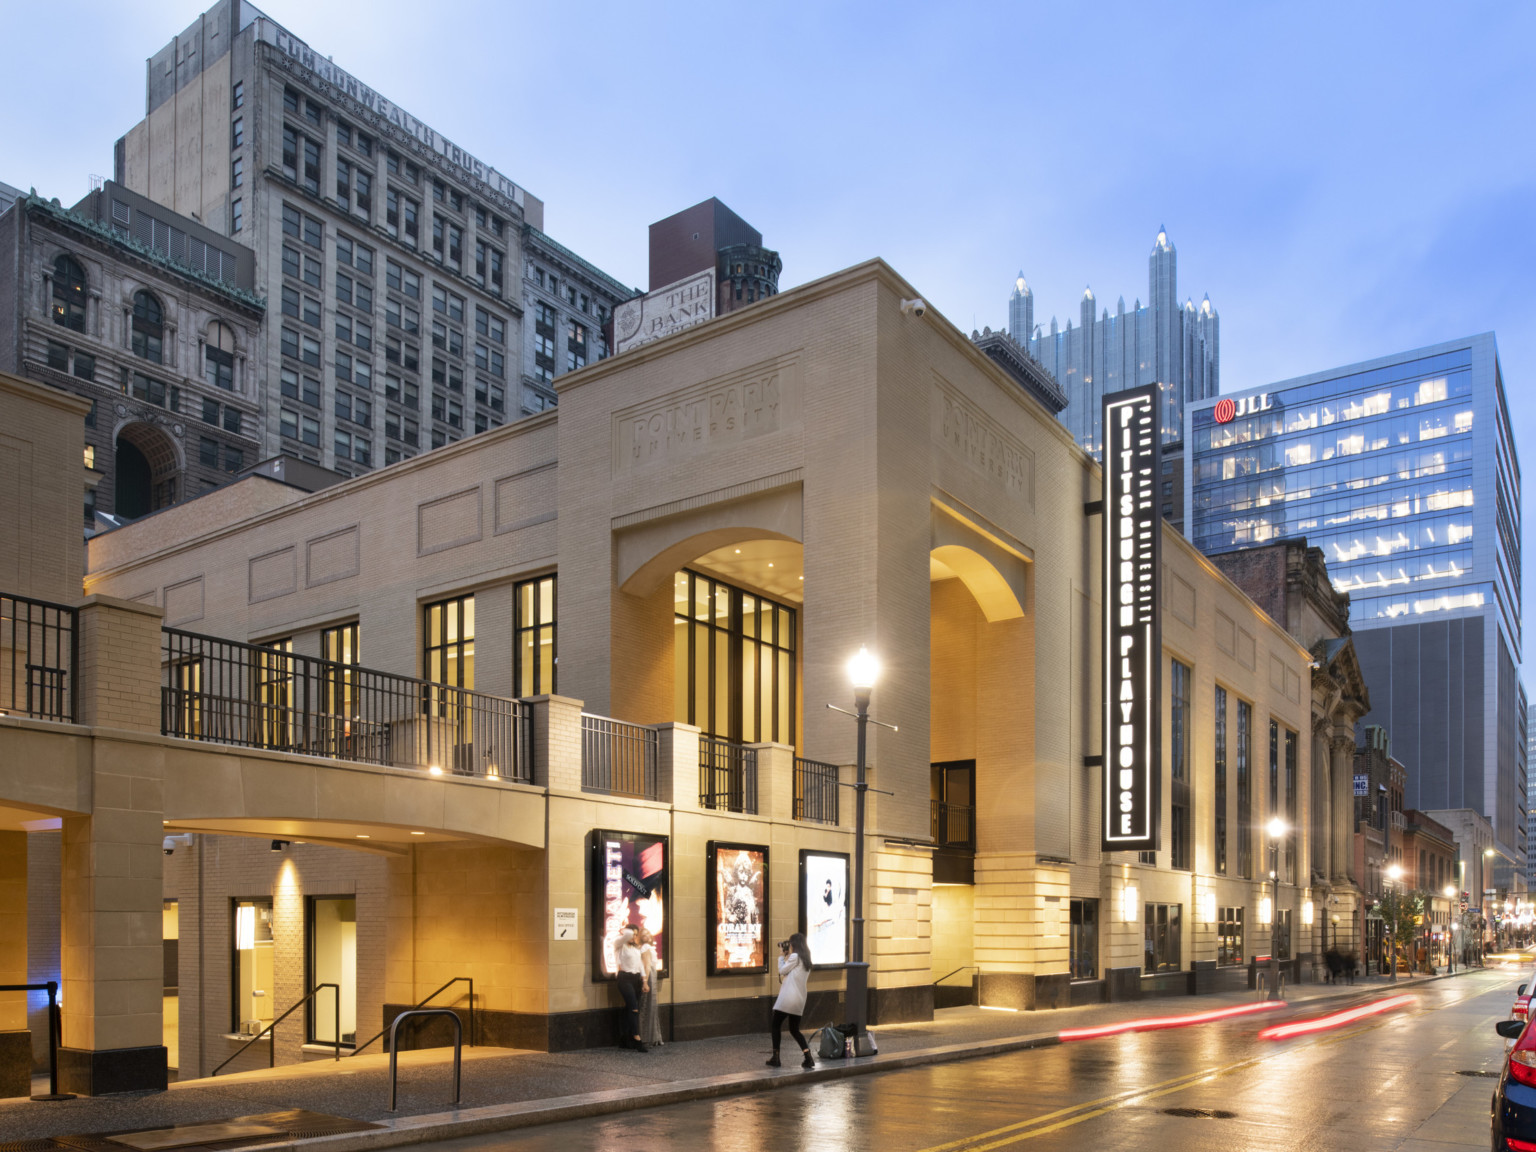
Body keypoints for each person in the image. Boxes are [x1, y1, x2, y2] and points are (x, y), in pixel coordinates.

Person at [767, 932, 815, 1070]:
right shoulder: (806, 960)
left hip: (789, 998)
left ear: (794, 944)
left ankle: (776, 1057)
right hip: (800, 999)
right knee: (794, 1029)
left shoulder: (795, 957)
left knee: (775, 1025)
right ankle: (808, 1057)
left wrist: (782, 956)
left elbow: (782, 970)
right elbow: (792, 972)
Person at [615, 924, 648, 1051]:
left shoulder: (635, 949)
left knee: (630, 1008)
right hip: (624, 978)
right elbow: (626, 936)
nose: (633, 937)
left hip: (636, 979)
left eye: (636, 934)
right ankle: (636, 1038)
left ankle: (625, 1038)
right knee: (634, 1008)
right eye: (632, 934)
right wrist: (627, 930)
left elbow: (640, 966)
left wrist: (644, 981)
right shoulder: (619, 945)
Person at [638, 926, 663, 1047]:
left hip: (651, 975)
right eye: (643, 934)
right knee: (648, 1005)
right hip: (650, 976)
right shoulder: (645, 947)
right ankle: (648, 1036)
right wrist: (646, 981)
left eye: (648, 933)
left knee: (649, 1005)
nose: (646, 935)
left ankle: (649, 1036)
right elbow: (646, 966)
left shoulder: (645, 947)